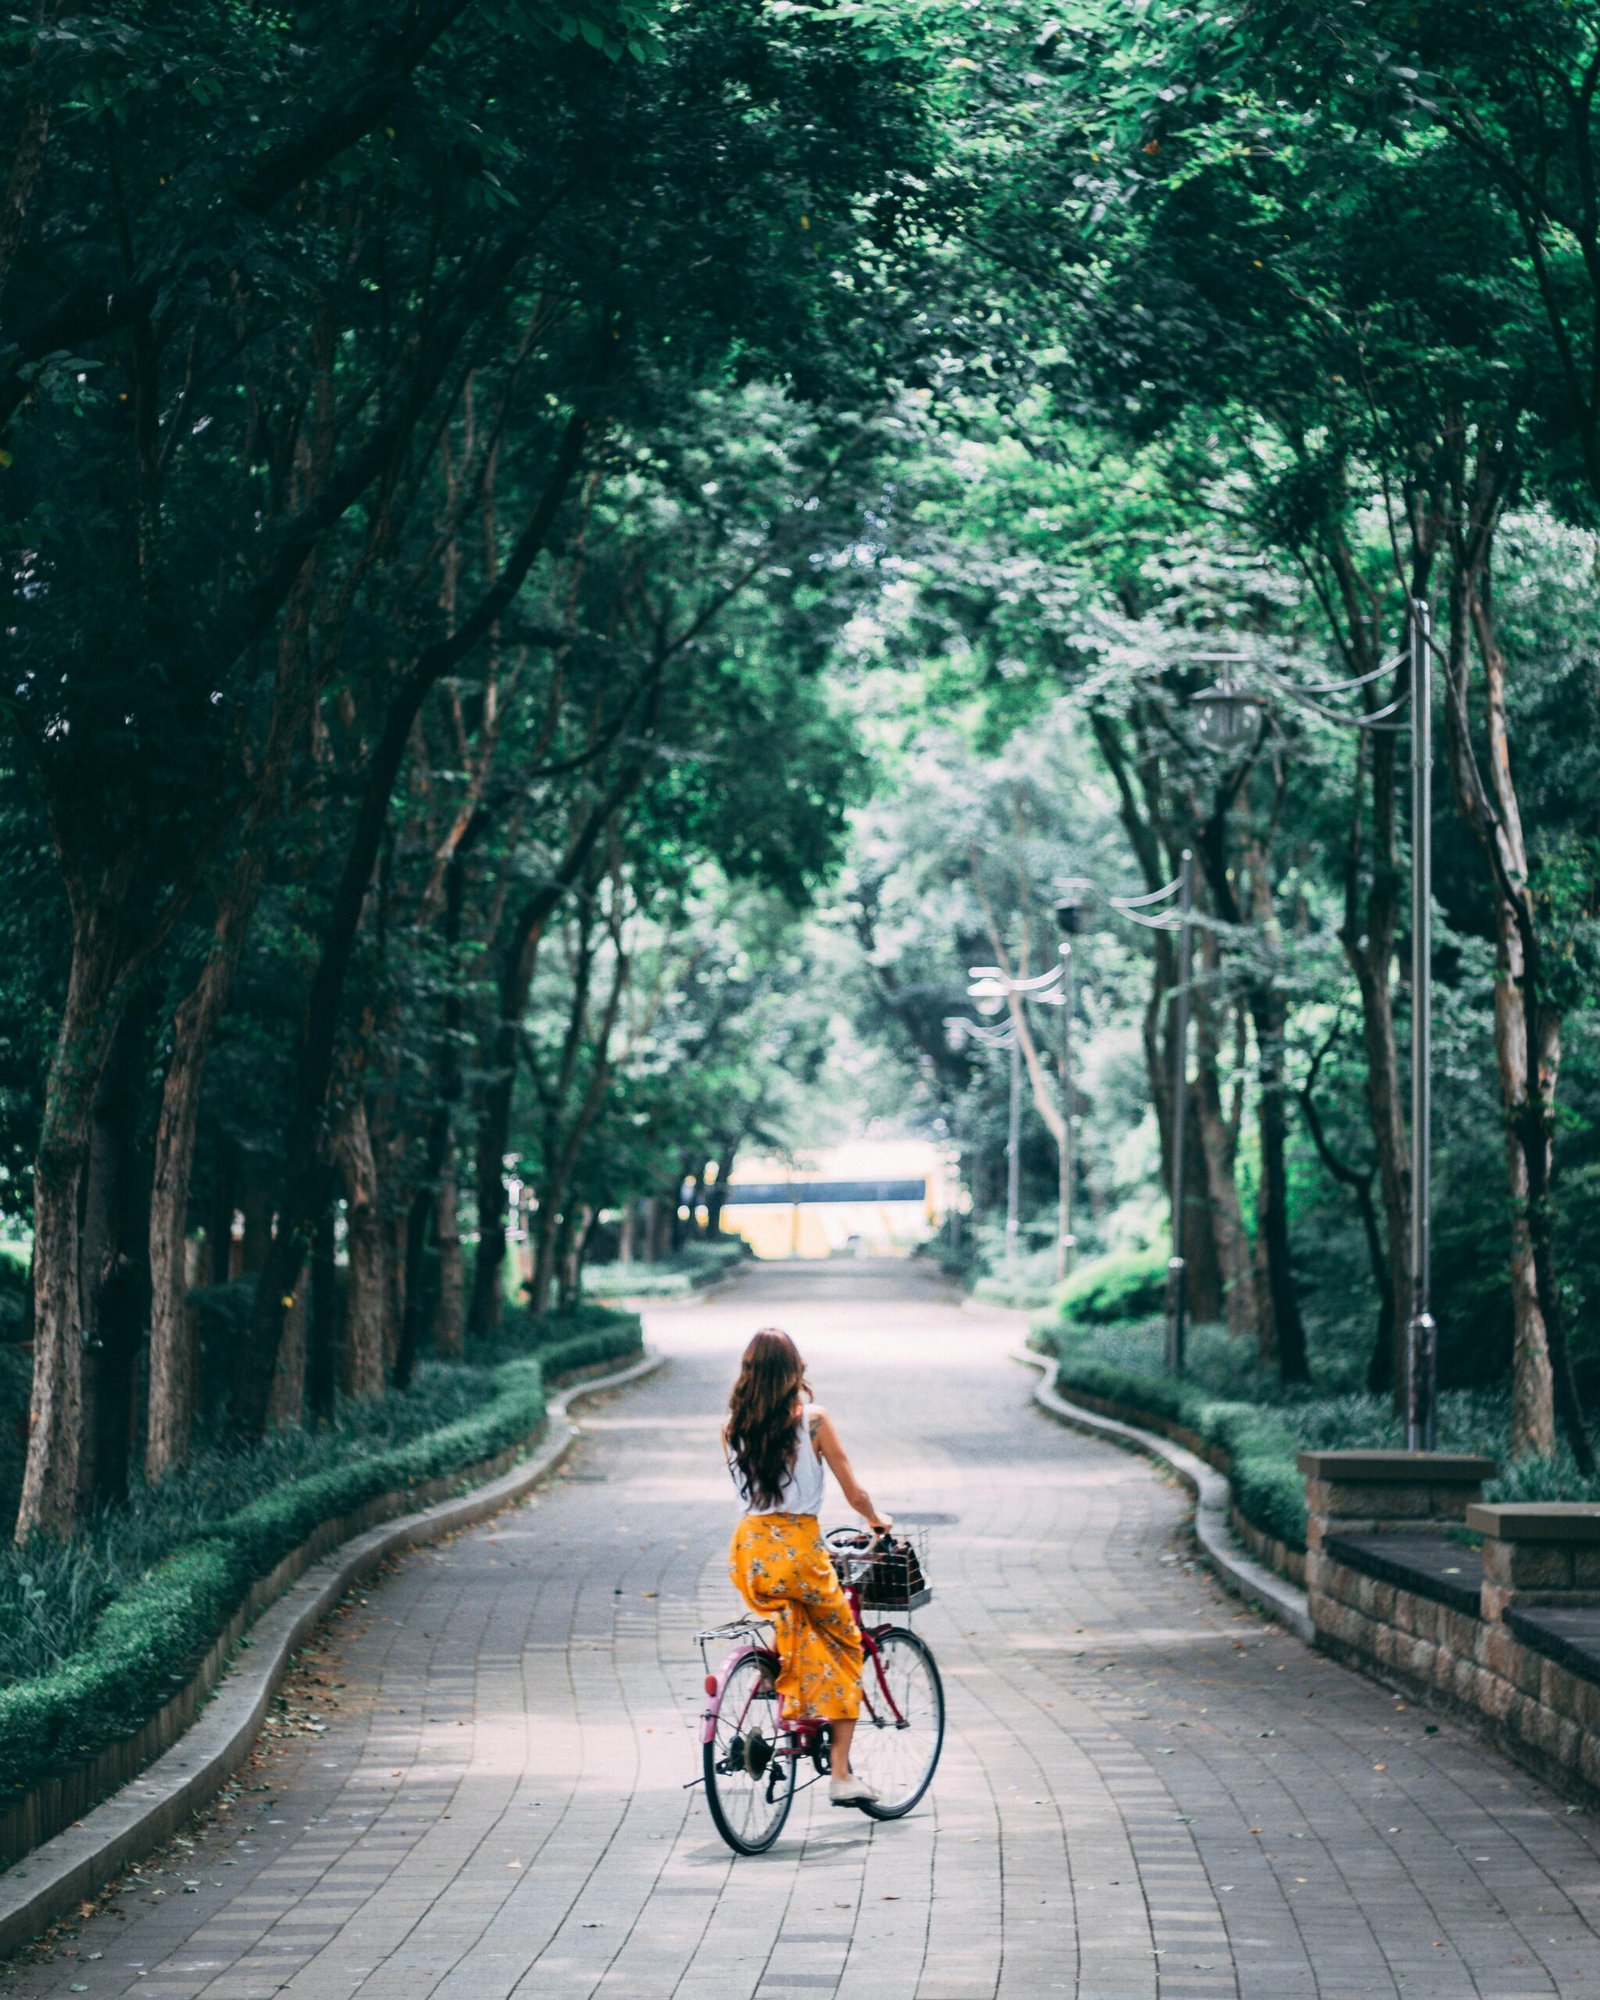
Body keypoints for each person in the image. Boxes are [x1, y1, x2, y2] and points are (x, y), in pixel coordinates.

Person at [723, 1327, 892, 1809]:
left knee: (792, 1618)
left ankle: (776, 1681)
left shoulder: (732, 1427)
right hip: (797, 1548)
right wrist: (876, 1520)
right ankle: (841, 1774)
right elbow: (853, 1491)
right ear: (795, 1371)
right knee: (847, 1644)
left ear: (749, 1373)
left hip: (749, 1550)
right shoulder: (812, 1422)